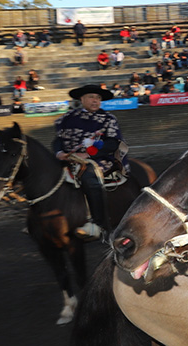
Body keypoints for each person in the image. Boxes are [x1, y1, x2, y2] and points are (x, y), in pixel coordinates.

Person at [52, 85, 126, 240]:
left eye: (98, 98)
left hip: (99, 159)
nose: (95, 100)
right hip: (68, 158)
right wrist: (59, 153)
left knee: (89, 177)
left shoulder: (108, 119)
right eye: (92, 97)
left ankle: (99, 224)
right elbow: (58, 140)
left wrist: (87, 154)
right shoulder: (67, 118)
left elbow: (112, 144)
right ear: (82, 99)